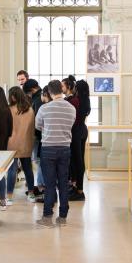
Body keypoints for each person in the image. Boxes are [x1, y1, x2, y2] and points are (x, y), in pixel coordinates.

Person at [36, 80, 76, 227]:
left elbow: (38, 126)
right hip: (65, 148)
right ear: (61, 90)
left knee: (50, 184)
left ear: (50, 93)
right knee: (63, 184)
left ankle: (47, 217)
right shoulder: (71, 108)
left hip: (48, 148)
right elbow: (71, 124)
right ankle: (63, 217)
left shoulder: (44, 108)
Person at [7, 87, 35, 204]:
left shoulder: (9, 109)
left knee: (12, 170)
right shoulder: (30, 110)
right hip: (26, 142)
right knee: (28, 168)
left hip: (12, 143)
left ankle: (9, 196)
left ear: (13, 96)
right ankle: (31, 194)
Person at [68, 80, 91, 201]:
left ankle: (80, 191)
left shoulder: (75, 100)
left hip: (76, 131)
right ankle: (77, 187)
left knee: (77, 161)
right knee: (80, 160)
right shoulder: (86, 99)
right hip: (83, 130)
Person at [23, 79, 44, 194]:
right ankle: (40, 185)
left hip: (38, 135)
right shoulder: (39, 97)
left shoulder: (38, 99)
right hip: (40, 135)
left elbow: (36, 121)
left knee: (39, 161)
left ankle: (41, 186)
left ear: (32, 90)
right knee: (38, 161)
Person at [61, 75, 79, 189]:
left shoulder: (73, 100)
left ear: (68, 87)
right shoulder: (66, 100)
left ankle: (73, 182)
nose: (60, 87)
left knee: (73, 159)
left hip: (72, 132)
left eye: (62, 85)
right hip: (67, 132)